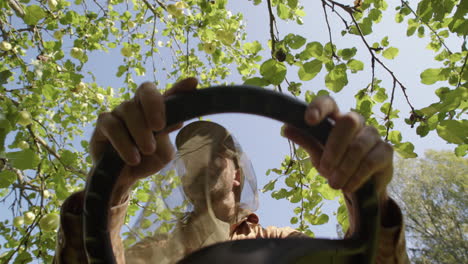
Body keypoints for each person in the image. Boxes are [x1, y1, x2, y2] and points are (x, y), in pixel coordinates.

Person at [53, 78, 409, 264]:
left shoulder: (279, 241)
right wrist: (113, 182)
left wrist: (368, 197)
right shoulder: (153, 248)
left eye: (212, 153)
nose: (195, 162)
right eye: (187, 155)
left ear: (237, 173)